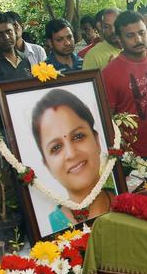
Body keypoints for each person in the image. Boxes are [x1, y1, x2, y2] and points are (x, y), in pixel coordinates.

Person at [31, 89, 114, 232]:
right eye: (56, 147)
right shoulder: (48, 229)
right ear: (48, 166)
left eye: (78, 136)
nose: (71, 154)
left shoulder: (124, 199)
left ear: (97, 141)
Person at [102, 11, 147, 158]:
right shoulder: (108, 74)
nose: (138, 39)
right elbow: (107, 120)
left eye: (142, 32)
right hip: (135, 157)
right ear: (119, 39)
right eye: (130, 35)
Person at [0, 12, 32, 82]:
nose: (6, 37)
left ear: (14, 31)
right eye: (0, 34)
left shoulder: (24, 58)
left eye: (8, 31)